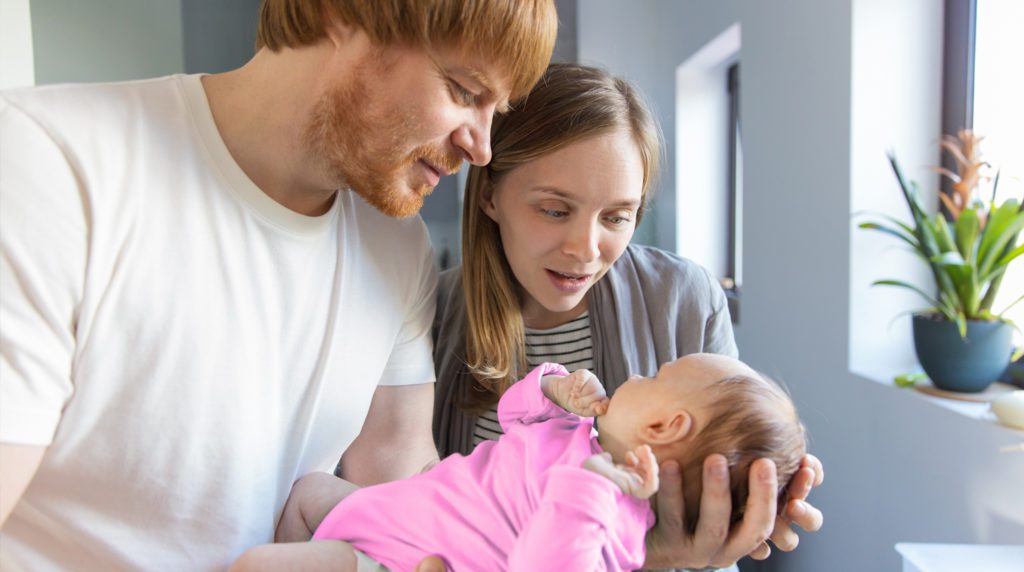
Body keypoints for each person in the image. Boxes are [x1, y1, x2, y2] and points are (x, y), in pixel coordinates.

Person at [0, 1, 557, 569]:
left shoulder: (394, 244)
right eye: (465, 91)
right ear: (340, 15)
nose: (482, 147)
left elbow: (402, 476)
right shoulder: (46, 163)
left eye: (498, 109)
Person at [431, 62, 825, 569]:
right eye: (554, 210)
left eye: (617, 217)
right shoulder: (431, 315)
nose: (585, 249)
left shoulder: (685, 301)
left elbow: (707, 526)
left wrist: (742, 500)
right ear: (489, 195)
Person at [230, 353, 807, 571]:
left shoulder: (616, 527)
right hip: (390, 511)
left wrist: (594, 488)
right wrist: (553, 389)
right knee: (309, 490)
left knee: (257, 566)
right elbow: (512, 417)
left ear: (663, 426)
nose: (635, 375)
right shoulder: (583, 435)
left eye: (654, 377)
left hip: (399, 560)